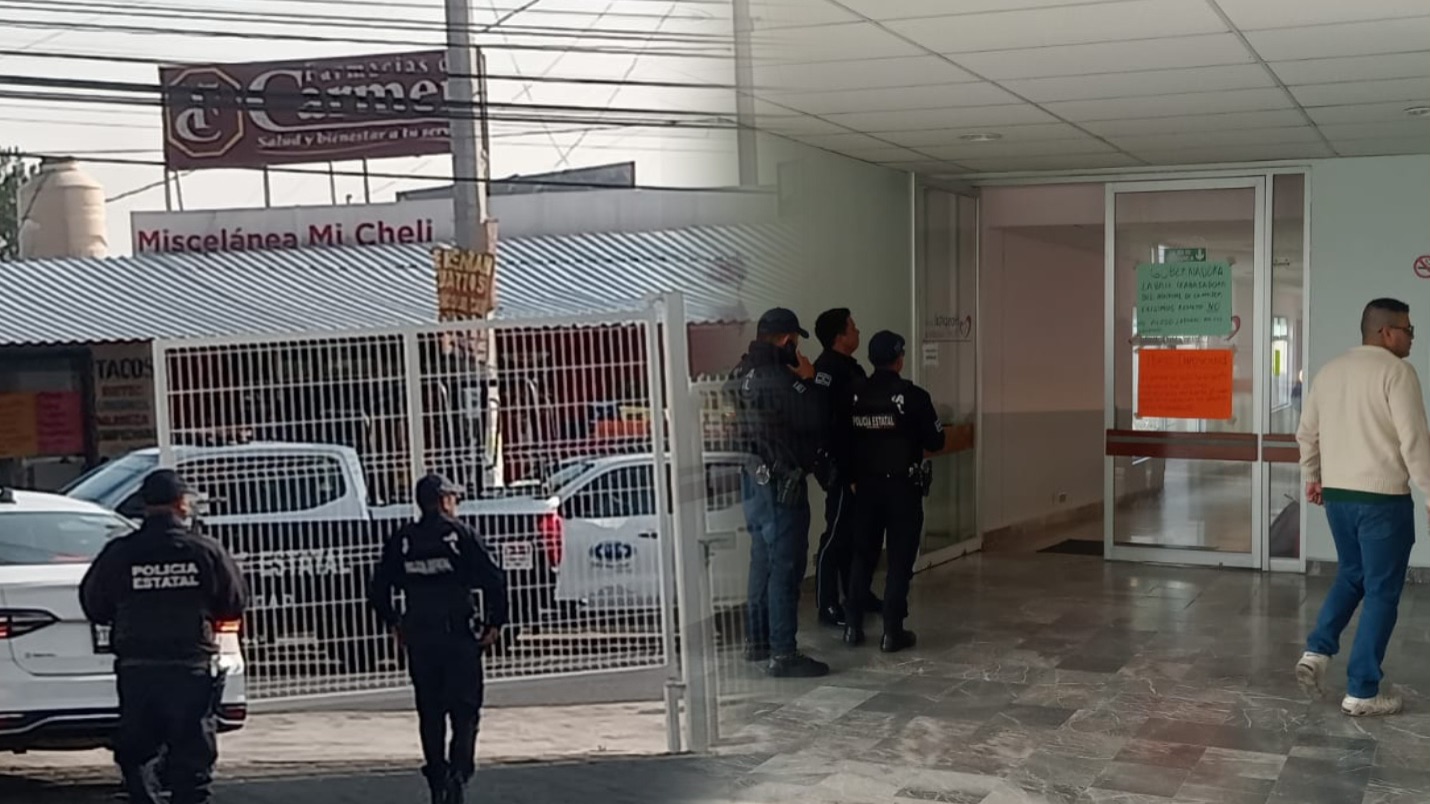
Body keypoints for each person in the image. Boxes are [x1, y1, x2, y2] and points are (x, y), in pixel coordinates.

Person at [79, 469, 247, 804]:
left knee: (139, 749)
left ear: (144, 504)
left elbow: (94, 603)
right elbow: (234, 601)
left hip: (138, 667)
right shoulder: (204, 550)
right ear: (181, 503)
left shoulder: (120, 552)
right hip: (190, 666)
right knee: (192, 748)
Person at [1295, 298, 1430, 718]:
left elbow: (1306, 432)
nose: (1412, 338)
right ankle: (1362, 690)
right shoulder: (1398, 372)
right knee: (1382, 591)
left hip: (1338, 498)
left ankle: (1317, 652)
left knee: (1352, 574)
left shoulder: (1330, 371)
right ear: (1386, 332)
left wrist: (1312, 475)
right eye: (1407, 329)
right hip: (1382, 501)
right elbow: (1414, 441)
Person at [369, 473, 508, 804]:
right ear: (445, 501)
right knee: (465, 711)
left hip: (421, 637)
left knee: (430, 712)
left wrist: (395, 622)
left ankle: (437, 776)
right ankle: (458, 773)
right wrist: (494, 623)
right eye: (453, 498)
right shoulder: (461, 536)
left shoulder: (403, 540)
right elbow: (495, 579)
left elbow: (378, 588)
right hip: (458, 636)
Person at [727, 307, 830, 678]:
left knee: (761, 562)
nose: (797, 348)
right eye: (795, 341)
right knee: (785, 567)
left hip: (752, 481)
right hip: (782, 485)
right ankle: (784, 652)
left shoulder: (739, 373)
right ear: (787, 340)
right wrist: (811, 380)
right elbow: (816, 418)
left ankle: (757, 642)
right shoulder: (781, 380)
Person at [843, 332, 952, 653]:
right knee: (900, 559)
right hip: (902, 488)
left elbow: (843, 439)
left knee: (862, 555)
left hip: (865, 487)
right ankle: (892, 630)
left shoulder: (854, 394)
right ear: (899, 359)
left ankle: (852, 626)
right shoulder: (913, 396)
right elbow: (936, 441)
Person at [810, 307, 882, 628]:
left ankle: (857, 594)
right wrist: (844, 471)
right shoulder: (827, 370)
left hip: (861, 466)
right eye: (852, 327)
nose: (858, 331)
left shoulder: (852, 367)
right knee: (836, 535)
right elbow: (830, 428)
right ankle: (826, 604)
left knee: (857, 536)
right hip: (842, 469)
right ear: (840, 336)